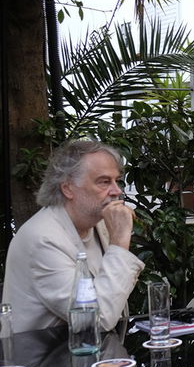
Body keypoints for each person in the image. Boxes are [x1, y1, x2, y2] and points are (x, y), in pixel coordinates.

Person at [3, 140, 145, 333]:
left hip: (88, 354)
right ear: (68, 188)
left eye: (116, 180)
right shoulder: (42, 239)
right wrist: (119, 243)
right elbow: (97, 317)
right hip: (42, 359)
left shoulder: (99, 223)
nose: (117, 191)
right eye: (104, 182)